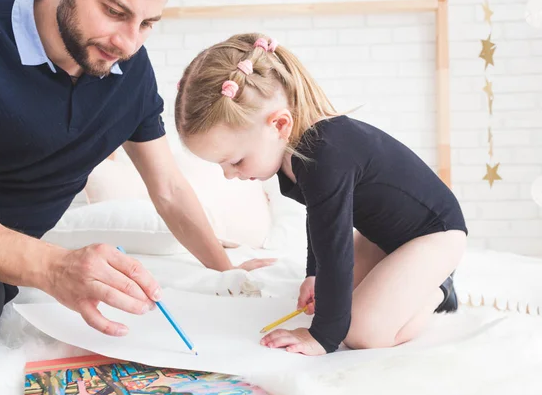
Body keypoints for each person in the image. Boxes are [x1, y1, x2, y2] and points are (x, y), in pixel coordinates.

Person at [0, 0, 273, 355]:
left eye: (147, 24)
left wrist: (227, 271)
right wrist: (55, 267)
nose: (128, 44)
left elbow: (169, 189)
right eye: (114, 12)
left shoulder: (130, 74)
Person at [174, 33, 468, 355]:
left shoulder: (324, 155)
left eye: (235, 161)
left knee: (361, 332)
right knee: (339, 296)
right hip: (383, 235)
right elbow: (322, 224)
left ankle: (440, 289)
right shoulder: (300, 153)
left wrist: (322, 337)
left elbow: (336, 251)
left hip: (436, 234)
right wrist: (313, 274)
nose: (230, 174)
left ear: (279, 125)